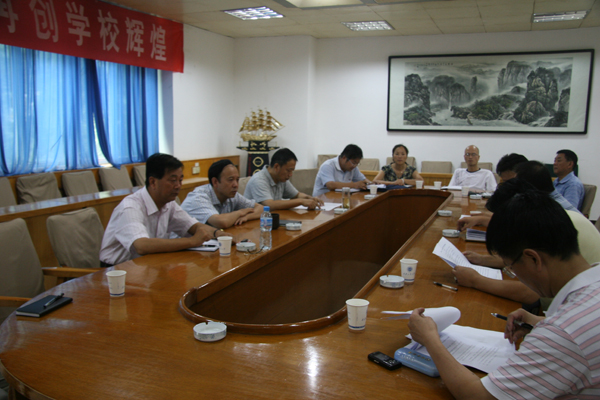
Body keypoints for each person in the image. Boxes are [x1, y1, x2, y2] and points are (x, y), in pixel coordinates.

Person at [408, 188, 600, 399]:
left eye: (511, 268)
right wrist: (540, 322)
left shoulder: (563, 333)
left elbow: (480, 396)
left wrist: (430, 339)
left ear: (533, 259)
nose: (513, 274)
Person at [453, 177, 600, 309]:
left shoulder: (543, 229)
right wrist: (482, 259)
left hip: (564, 306)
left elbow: (530, 293)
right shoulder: (555, 217)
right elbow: (524, 258)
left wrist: (475, 280)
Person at [100, 153, 228, 266]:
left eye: (180, 180)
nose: (178, 186)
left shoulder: (168, 204)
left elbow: (194, 226)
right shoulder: (130, 207)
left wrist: (219, 234)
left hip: (146, 265)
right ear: (153, 182)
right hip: (115, 271)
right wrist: (191, 241)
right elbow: (141, 245)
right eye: (173, 180)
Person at [180, 159, 263, 229]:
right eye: (230, 179)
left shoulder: (232, 195)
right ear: (215, 182)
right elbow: (221, 222)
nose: (236, 185)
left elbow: (262, 209)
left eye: (237, 180)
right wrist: (240, 212)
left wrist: (246, 217)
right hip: (184, 242)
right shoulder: (199, 197)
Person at [244, 148, 323, 210]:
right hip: (255, 222)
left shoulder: (281, 179)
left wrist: (310, 198)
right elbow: (270, 204)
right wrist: (301, 201)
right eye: (288, 170)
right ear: (276, 167)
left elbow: (296, 195)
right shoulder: (259, 180)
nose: (290, 175)